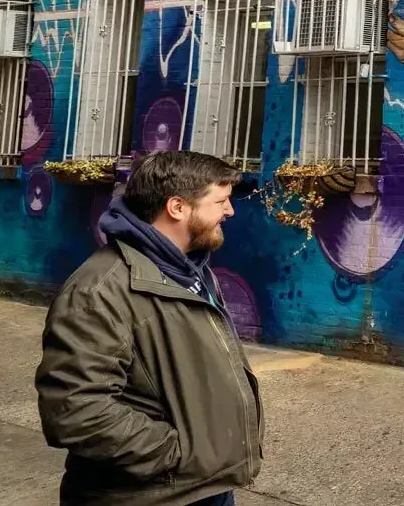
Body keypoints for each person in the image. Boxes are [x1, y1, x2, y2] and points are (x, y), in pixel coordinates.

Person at [36, 150, 262, 506]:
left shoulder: (192, 271)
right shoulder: (99, 291)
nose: (229, 211)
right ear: (177, 207)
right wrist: (177, 454)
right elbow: (75, 410)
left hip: (206, 485)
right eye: (220, 201)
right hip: (153, 493)